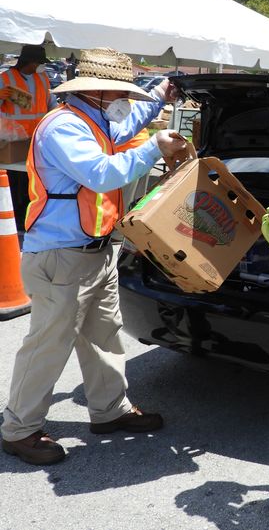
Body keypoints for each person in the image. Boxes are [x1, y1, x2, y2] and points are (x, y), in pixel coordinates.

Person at [0, 48, 186, 466]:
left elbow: (126, 127)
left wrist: (160, 96)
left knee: (104, 334)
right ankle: (19, 428)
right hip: (61, 255)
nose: (125, 101)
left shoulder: (96, 121)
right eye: (121, 92)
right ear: (99, 91)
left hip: (95, 252)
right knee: (49, 343)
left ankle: (110, 410)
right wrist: (156, 146)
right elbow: (105, 174)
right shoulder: (64, 127)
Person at [0, 44, 59, 229]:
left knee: (33, 180)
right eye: (39, 63)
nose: (41, 67)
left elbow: (51, 104)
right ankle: (14, 218)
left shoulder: (42, 78)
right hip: (13, 142)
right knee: (14, 182)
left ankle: (29, 216)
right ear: (30, 62)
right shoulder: (5, 79)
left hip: (38, 139)